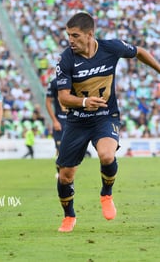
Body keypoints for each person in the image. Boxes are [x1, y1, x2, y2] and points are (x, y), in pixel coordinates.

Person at [55, 12, 160, 232]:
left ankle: (106, 193)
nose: (70, 40)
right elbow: (63, 97)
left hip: (105, 115)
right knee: (65, 175)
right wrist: (84, 102)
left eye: (75, 35)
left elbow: (139, 52)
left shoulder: (110, 48)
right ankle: (69, 216)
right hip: (77, 122)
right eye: (68, 35)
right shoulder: (66, 59)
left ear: (89, 34)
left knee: (107, 154)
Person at [45, 77, 68, 156]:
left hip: (73, 119)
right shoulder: (54, 82)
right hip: (60, 119)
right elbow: (48, 102)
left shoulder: (77, 78)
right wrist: (54, 121)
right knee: (60, 149)